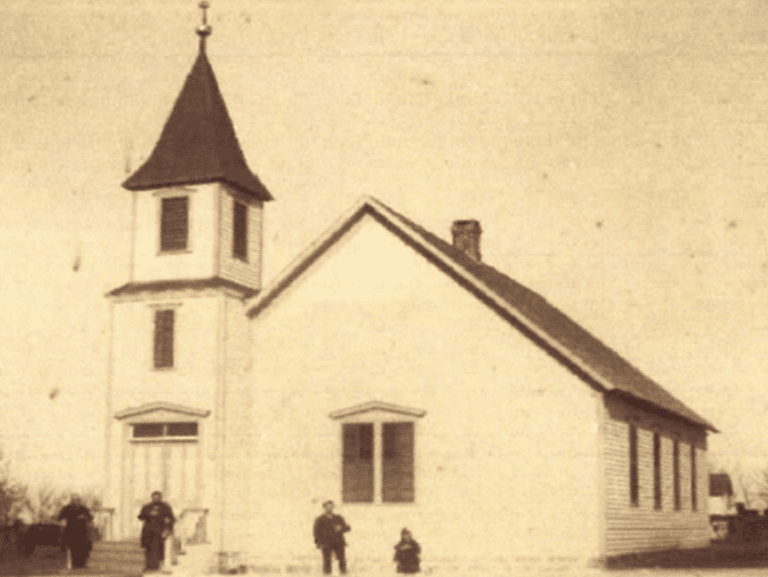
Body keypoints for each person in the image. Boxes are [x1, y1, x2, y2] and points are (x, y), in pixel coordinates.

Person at [138, 491, 175, 572]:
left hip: (160, 532)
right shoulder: (147, 506)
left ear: (161, 498)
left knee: (159, 549)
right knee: (148, 549)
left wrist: (167, 530)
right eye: (154, 497)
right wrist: (149, 514)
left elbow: (171, 519)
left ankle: (158, 567)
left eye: (157, 497)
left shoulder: (166, 507)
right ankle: (148, 567)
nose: (155, 499)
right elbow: (140, 517)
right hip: (148, 532)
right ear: (151, 498)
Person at [313, 500, 351, 575]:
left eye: (331, 507)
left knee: (342, 560)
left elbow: (348, 528)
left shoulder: (338, 518)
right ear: (324, 508)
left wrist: (341, 528)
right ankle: (327, 574)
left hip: (338, 542)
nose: (329, 509)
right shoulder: (320, 519)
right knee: (327, 561)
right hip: (326, 543)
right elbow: (316, 532)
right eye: (327, 507)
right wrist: (318, 543)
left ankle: (343, 574)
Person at [57, 494, 93, 569]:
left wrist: (84, 517)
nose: (75, 502)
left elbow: (90, 517)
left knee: (85, 547)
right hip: (71, 532)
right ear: (71, 501)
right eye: (74, 500)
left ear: (79, 500)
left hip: (83, 532)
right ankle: (75, 564)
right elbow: (59, 517)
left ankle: (82, 564)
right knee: (74, 548)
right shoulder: (67, 508)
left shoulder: (84, 508)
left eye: (77, 500)